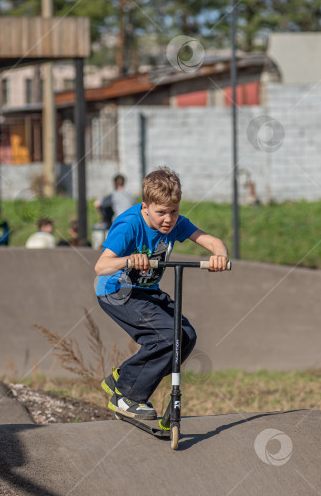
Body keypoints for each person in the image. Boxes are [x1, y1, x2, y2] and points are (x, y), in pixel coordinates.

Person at [94, 166, 228, 421]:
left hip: (147, 292)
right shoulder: (129, 225)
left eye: (173, 212)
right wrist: (129, 260)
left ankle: (123, 377)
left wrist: (220, 255)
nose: (168, 219)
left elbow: (210, 241)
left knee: (185, 337)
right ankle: (127, 396)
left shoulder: (175, 223)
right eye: (161, 213)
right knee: (168, 336)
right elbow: (101, 266)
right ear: (145, 207)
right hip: (117, 292)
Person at [92, 174, 136, 249]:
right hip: (133, 222)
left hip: (120, 223)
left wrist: (101, 215)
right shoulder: (131, 195)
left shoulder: (114, 195)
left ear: (115, 183)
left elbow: (96, 204)